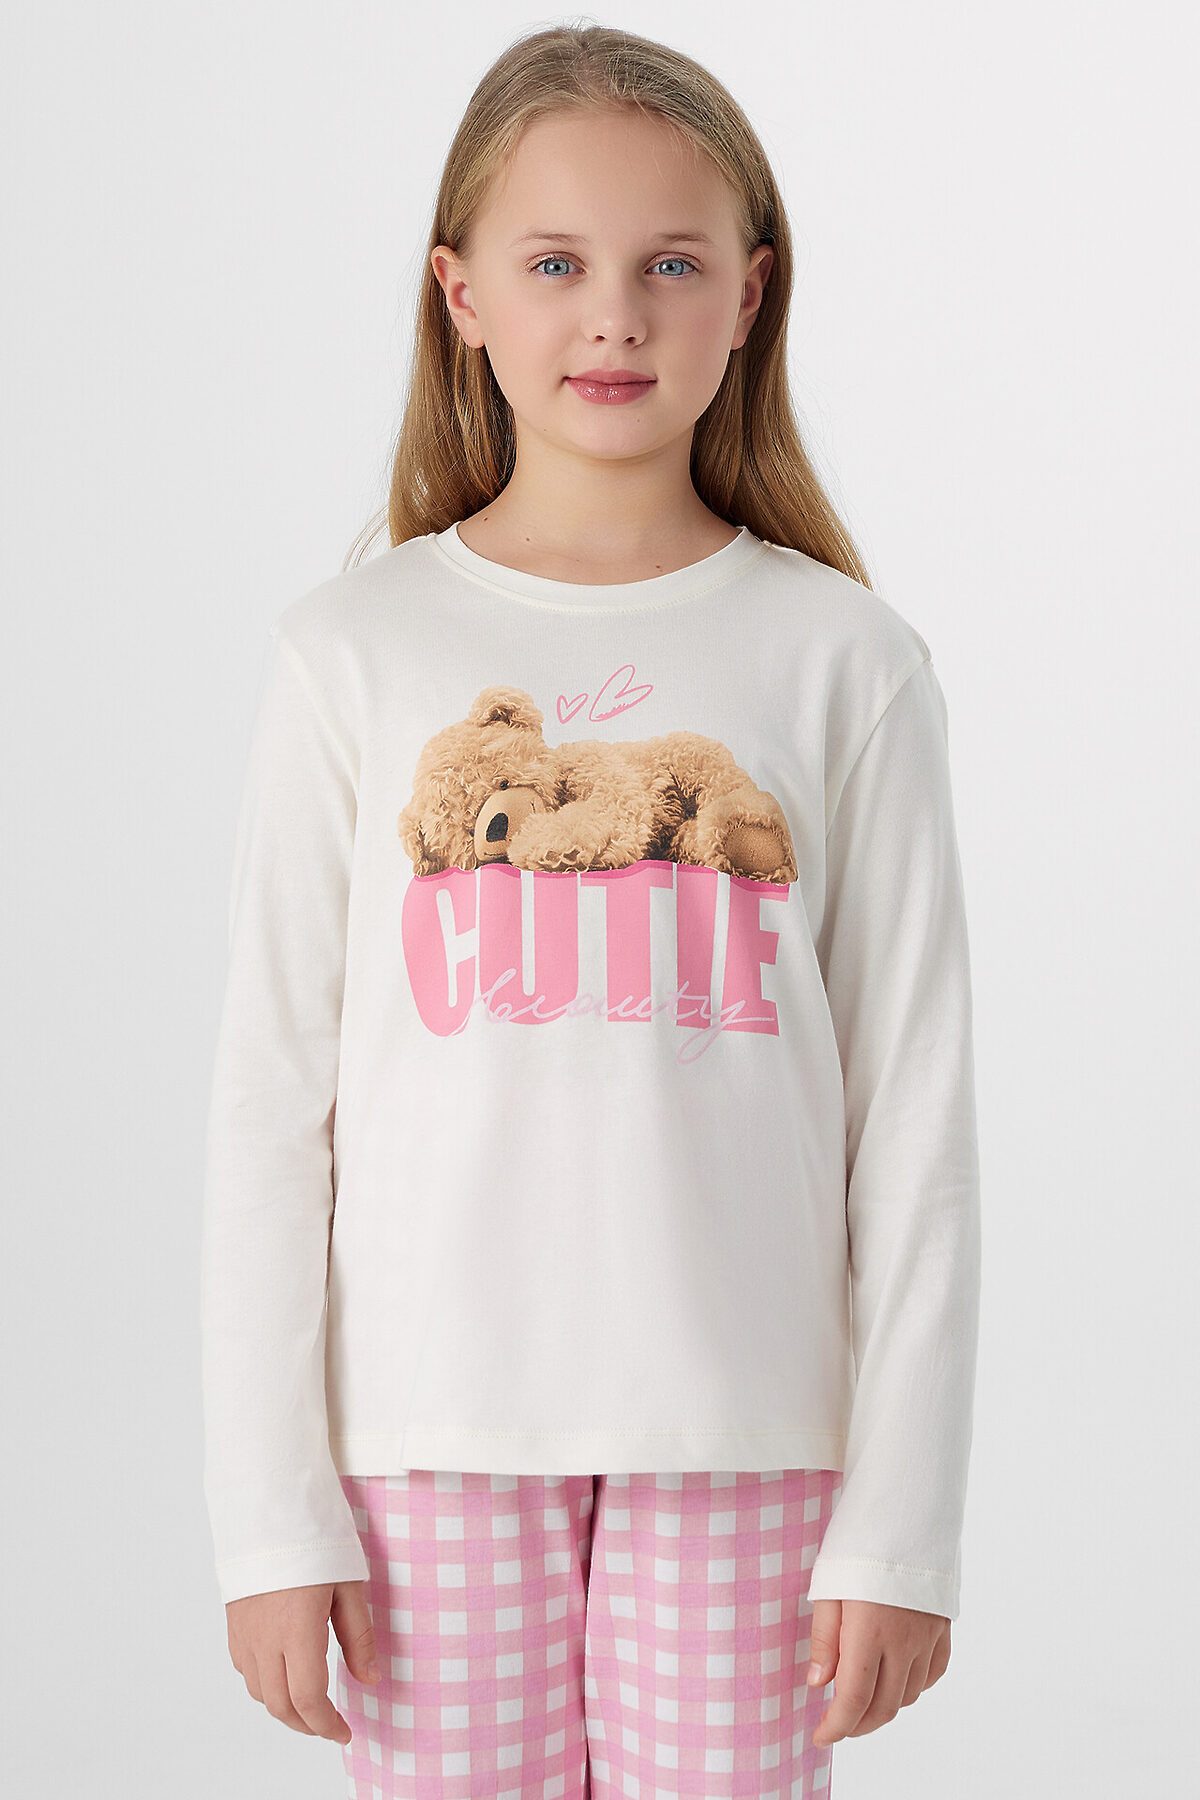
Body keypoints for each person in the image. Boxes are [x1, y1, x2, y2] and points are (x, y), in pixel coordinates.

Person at [200, 22, 982, 1799]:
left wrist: (901, 1527)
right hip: (420, 1445)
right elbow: (269, 1116)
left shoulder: (845, 660)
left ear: (750, 294)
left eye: (670, 265)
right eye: (555, 263)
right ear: (461, 293)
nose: (614, 317)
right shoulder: (354, 653)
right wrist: (271, 1515)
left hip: (752, 1438)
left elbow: (916, 1125)